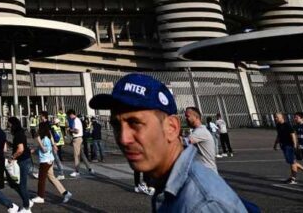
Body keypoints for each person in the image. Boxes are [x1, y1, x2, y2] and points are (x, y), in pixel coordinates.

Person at [89, 73, 246, 212]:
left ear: (171, 127)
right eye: (116, 125)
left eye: (135, 123)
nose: (123, 139)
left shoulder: (203, 204)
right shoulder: (168, 183)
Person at [33, 121, 70, 205]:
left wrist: (38, 141)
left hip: (45, 161)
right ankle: (65, 193)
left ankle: (40, 196)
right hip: (50, 160)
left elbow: (44, 149)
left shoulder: (44, 139)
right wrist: (36, 148)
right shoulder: (47, 136)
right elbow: (45, 147)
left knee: (41, 180)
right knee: (51, 177)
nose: (38, 129)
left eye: (39, 128)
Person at [5, 116, 33, 213]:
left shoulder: (19, 134)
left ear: (13, 124)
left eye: (9, 124)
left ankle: (26, 207)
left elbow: (20, 149)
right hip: (23, 160)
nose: (8, 125)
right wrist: (10, 144)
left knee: (22, 185)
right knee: (14, 183)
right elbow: (19, 146)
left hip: (23, 161)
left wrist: (12, 157)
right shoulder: (18, 134)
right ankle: (27, 201)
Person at [273, 112, 303, 184]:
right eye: (275, 117)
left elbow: (293, 135)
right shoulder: (278, 125)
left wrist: (294, 145)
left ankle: (293, 178)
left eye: (277, 117)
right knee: (291, 162)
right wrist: (276, 143)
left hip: (289, 145)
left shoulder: (287, 125)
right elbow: (279, 135)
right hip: (283, 145)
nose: (275, 118)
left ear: (282, 117)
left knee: (292, 162)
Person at [183, 107, 217, 173]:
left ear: (196, 117)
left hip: (208, 173)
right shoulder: (197, 131)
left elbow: (184, 142)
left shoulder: (201, 131)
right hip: (205, 171)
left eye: (188, 116)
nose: (186, 118)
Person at [65, 110, 94, 177]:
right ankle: (89, 168)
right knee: (82, 155)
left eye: (69, 115)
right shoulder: (77, 120)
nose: (69, 117)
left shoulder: (76, 120)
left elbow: (77, 131)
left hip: (77, 138)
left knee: (76, 155)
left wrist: (70, 130)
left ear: (71, 114)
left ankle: (77, 171)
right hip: (78, 138)